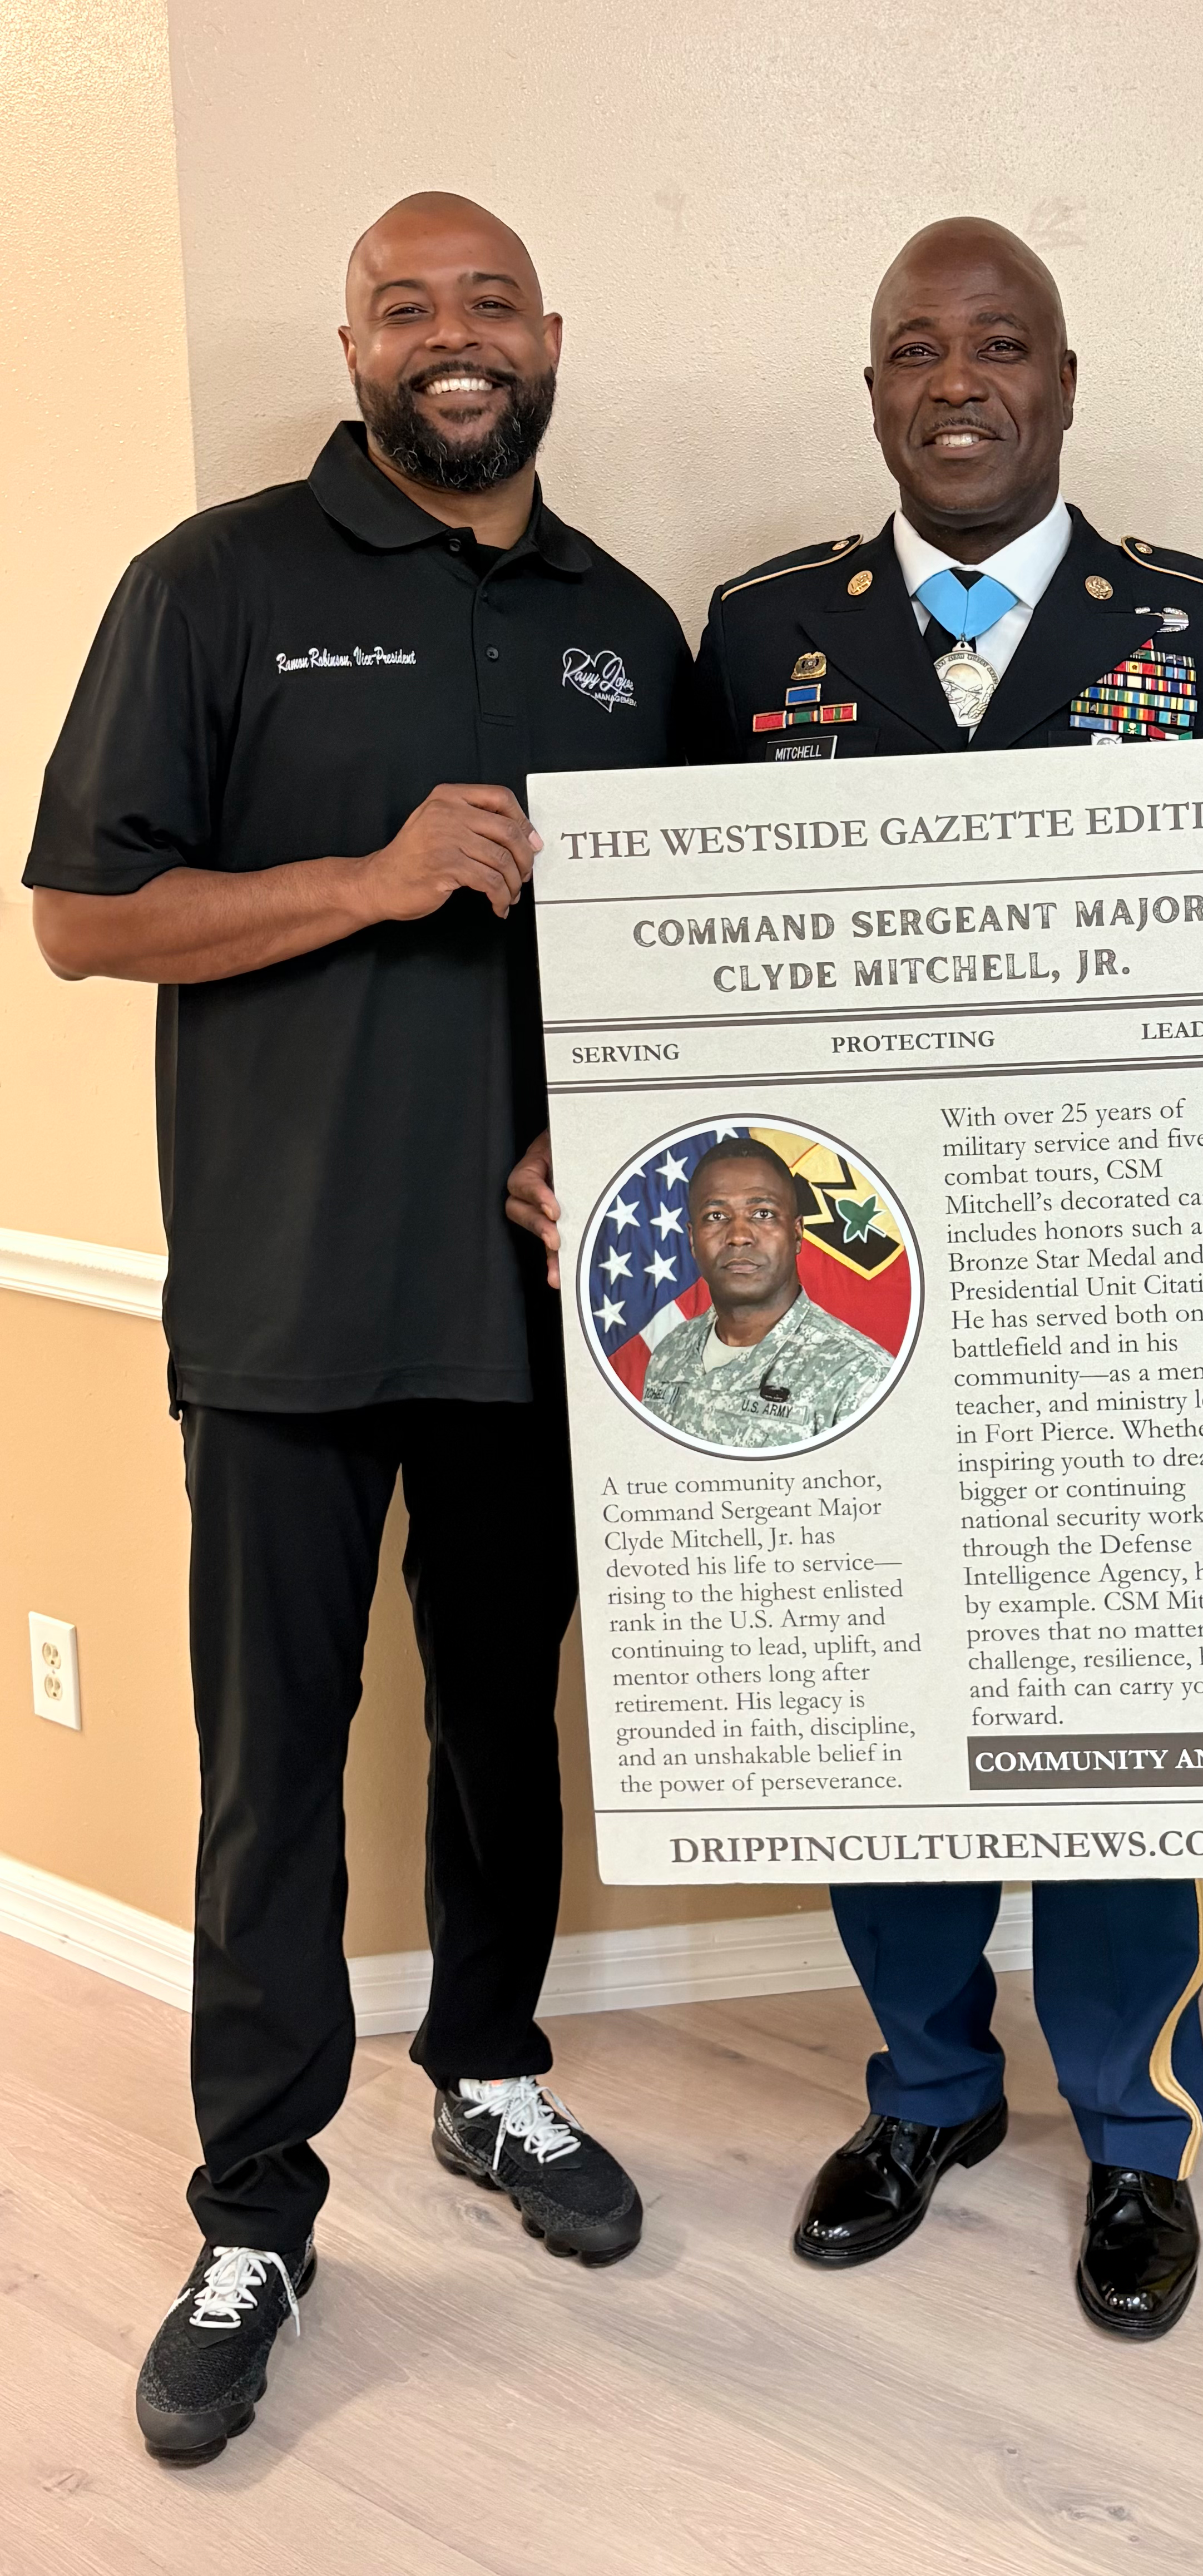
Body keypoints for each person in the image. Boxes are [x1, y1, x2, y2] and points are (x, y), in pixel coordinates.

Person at [520, 213, 1203, 2341]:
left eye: (999, 346)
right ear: (875, 393)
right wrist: (603, 1147)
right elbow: (688, 973)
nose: (958, 381)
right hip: (849, 1300)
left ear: (1064, 382)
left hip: (1111, 1297)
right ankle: (924, 2096)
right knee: (870, 1714)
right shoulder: (760, 637)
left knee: (1108, 1736)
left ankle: (1135, 2137)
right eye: (915, 350)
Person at [26, 193, 691, 2465]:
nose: (453, 337)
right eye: (408, 306)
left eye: (491, 299)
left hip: (541, 1307)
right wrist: (380, 877)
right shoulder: (214, 585)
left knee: (507, 1724)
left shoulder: (627, 629)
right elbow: (86, 918)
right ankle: (252, 2206)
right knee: (272, 1776)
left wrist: (598, 1142)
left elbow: (696, 973)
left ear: (551, 332)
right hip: (289, 1298)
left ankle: (490, 2075)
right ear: (354, 342)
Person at [638, 1138, 893, 1448]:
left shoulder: (861, 1375)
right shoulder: (670, 1354)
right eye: (716, 1216)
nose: (739, 1236)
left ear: (797, 1233)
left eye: (763, 1214)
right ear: (693, 1240)